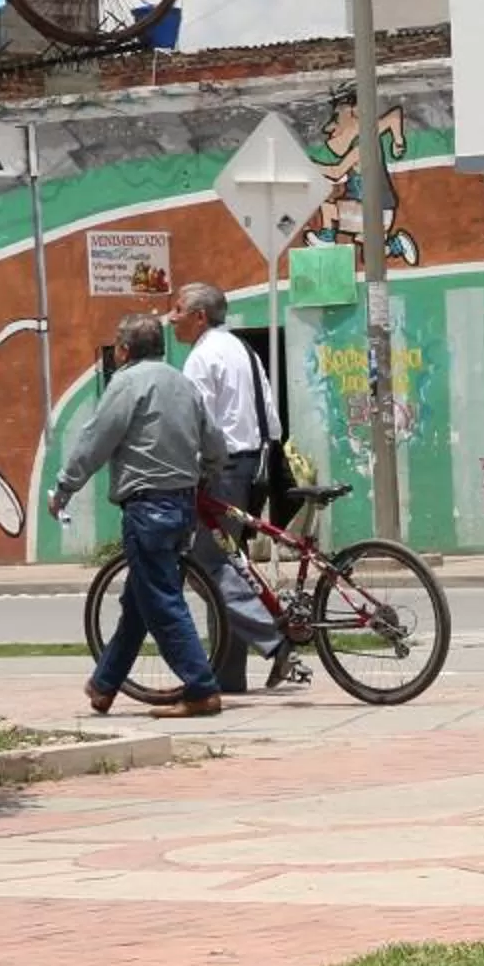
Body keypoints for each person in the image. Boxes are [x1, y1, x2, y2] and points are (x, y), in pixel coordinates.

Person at [51, 313, 224, 718]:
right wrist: (204, 474)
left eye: (117, 345)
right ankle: (104, 685)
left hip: (148, 509)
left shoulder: (126, 383)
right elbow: (215, 444)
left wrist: (64, 488)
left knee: (161, 602)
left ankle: (201, 689)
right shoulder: (183, 383)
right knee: (139, 601)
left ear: (124, 350)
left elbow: (96, 440)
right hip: (182, 506)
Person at [170, 281, 307, 688]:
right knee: (231, 564)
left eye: (177, 310)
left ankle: (276, 642)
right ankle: (228, 676)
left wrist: (186, 471)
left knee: (208, 567)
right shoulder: (242, 349)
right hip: (254, 467)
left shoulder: (201, 358)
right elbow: (272, 420)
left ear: (199, 316)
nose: (171, 319)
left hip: (222, 469)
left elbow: (198, 426)